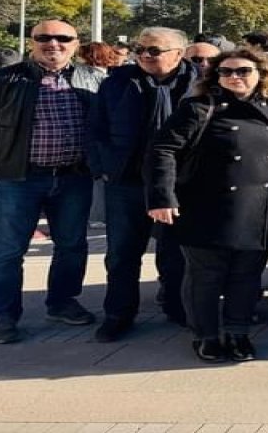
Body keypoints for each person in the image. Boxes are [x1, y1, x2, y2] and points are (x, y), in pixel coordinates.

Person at [0, 20, 104, 344]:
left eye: (62, 38)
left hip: (73, 178)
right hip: (19, 179)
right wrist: (8, 148)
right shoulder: (1, 79)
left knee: (71, 245)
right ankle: (3, 315)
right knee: (7, 251)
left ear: (75, 43)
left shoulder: (94, 78)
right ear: (31, 42)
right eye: (44, 37)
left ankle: (62, 302)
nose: (53, 44)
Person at [145, 50, 268, 363]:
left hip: (260, 209)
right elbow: (162, 150)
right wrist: (161, 197)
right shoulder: (199, 107)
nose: (235, 77)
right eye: (226, 72)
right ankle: (205, 335)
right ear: (216, 76)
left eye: (244, 71)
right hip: (207, 207)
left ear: (260, 74)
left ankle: (238, 333)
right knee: (205, 277)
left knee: (247, 276)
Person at [89, 27, 199, 341]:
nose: (145, 56)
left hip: (179, 184)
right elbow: (96, 128)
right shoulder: (117, 82)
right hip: (127, 183)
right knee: (122, 253)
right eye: (141, 49)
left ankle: (178, 307)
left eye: (154, 50)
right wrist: (104, 169)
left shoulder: (201, 84)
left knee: (175, 251)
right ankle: (118, 314)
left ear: (179, 53)